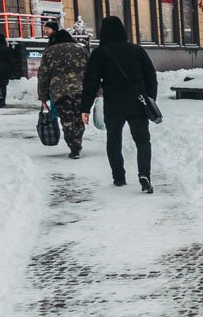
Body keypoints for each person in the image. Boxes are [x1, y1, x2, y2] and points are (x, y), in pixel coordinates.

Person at [80, 16, 157, 193]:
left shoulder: (100, 53)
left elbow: (90, 81)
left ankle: (119, 177)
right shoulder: (137, 51)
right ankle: (144, 174)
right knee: (143, 141)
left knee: (114, 140)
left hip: (113, 103)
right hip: (138, 102)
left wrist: (85, 107)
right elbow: (151, 77)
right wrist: (150, 99)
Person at [37, 29, 89, 159]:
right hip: (81, 90)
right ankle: (78, 141)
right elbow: (90, 70)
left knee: (67, 120)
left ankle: (74, 146)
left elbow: (43, 74)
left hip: (60, 91)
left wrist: (42, 94)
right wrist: (97, 89)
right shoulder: (81, 49)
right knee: (79, 118)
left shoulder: (49, 52)